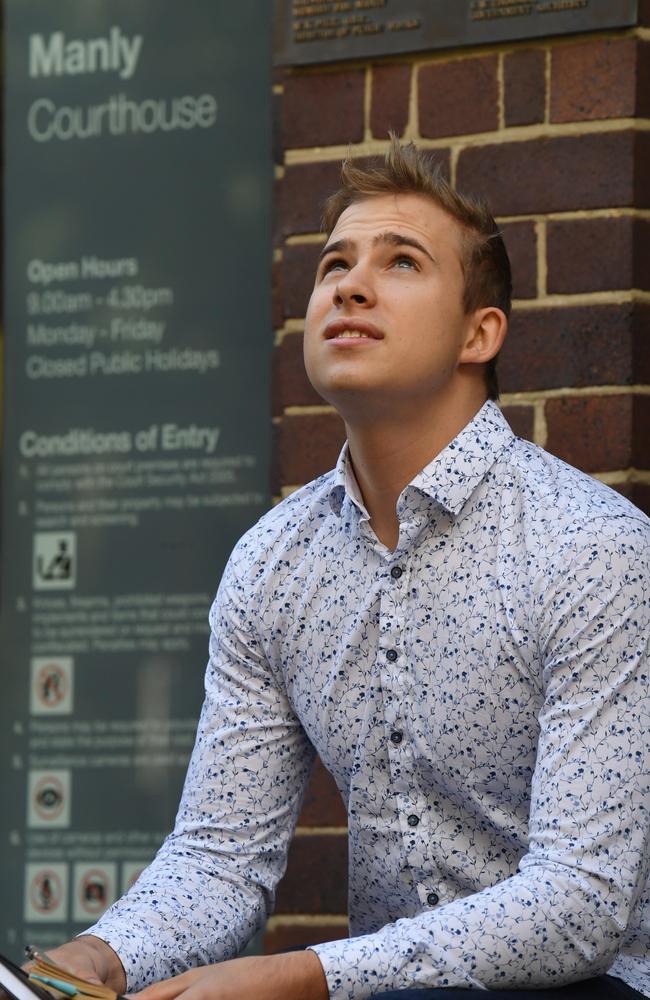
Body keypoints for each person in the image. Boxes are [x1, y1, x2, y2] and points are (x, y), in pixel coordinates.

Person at [40, 139, 650, 1000]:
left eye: (402, 262)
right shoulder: (272, 564)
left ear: (481, 332)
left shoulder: (592, 547)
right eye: (335, 264)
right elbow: (221, 856)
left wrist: (305, 975)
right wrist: (99, 960)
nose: (351, 285)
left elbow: (582, 904)